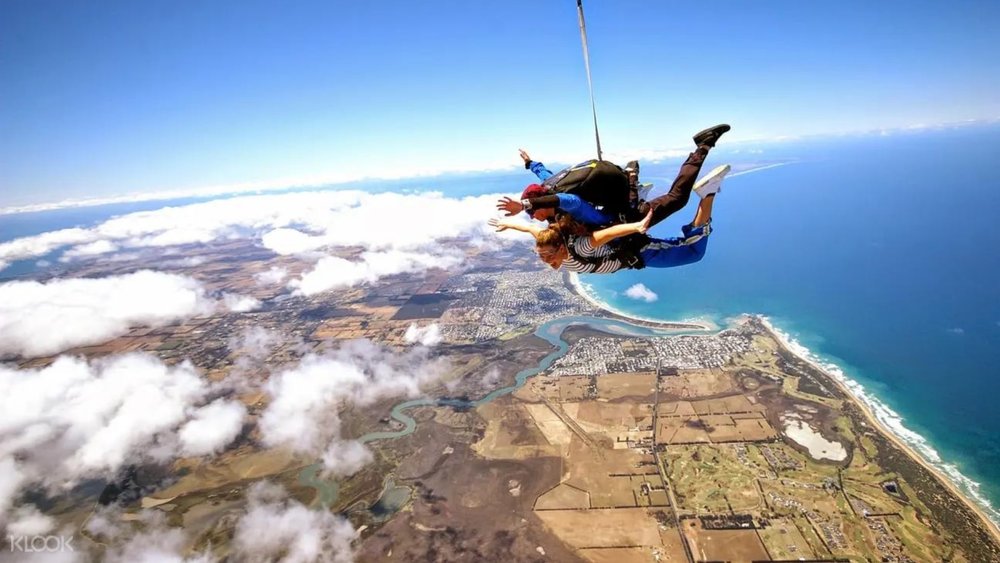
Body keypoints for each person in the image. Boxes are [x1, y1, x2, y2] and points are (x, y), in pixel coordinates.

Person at [488, 161, 727, 274]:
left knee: (693, 253)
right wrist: (508, 224)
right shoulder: (551, 233)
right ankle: (633, 186)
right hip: (627, 243)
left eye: (548, 257)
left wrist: (636, 227)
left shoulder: (578, 248)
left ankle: (708, 193)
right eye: (543, 257)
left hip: (637, 251)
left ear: (561, 248)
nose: (547, 262)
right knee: (636, 212)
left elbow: (606, 234)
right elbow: (531, 230)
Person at [496, 124, 730, 230]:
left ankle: (703, 146)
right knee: (625, 199)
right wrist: (530, 163)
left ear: (541, 202)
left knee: (677, 198)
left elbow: (570, 202)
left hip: (623, 207)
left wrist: (526, 205)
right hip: (611, 178)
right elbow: (543, 172)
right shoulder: (550, 184)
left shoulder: (562, 199)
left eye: (534, 213)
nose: (535, 218)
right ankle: (631, 177)